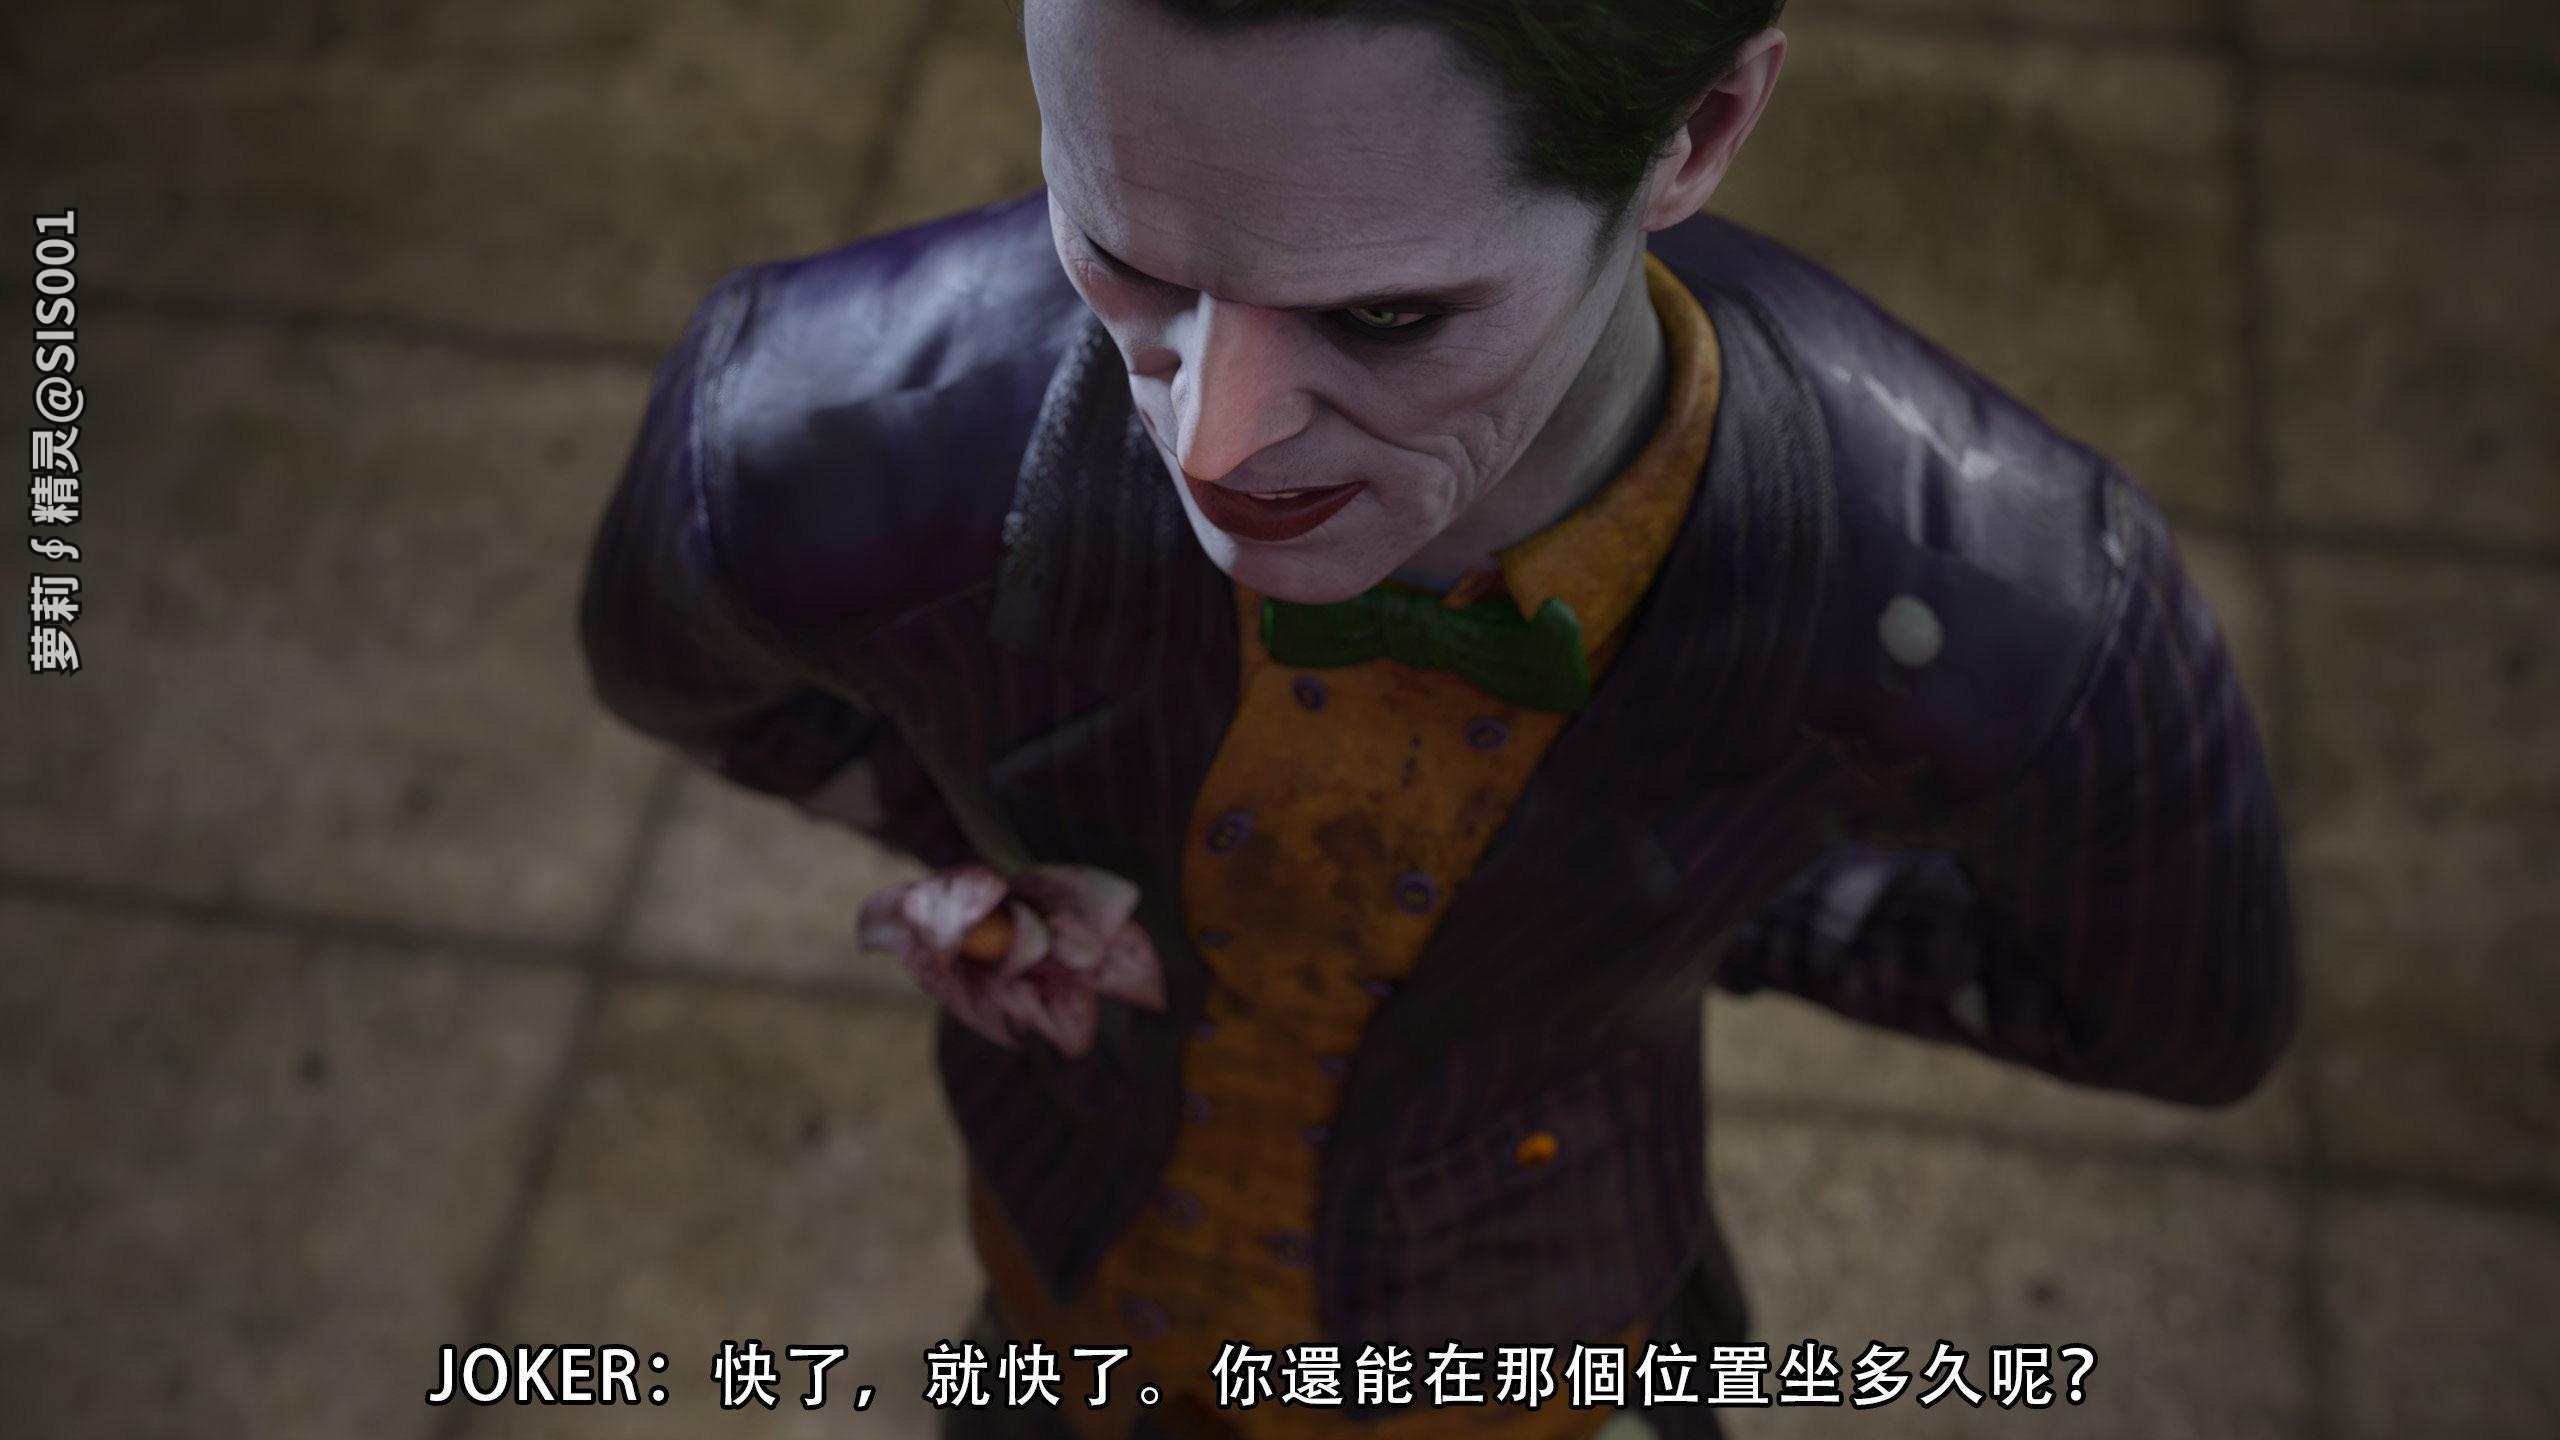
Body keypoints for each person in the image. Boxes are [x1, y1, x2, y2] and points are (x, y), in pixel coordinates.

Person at [576, 1, 2297, 1437]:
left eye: (1385, 316)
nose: (1217, 444)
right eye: (1122, 257)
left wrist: (1701, 897)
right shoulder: (802, 428)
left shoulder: (2001, 597)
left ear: (1697, 130)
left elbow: (2175, 1013)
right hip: (1068, 1307)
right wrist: (983, 833)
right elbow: (685, 672)